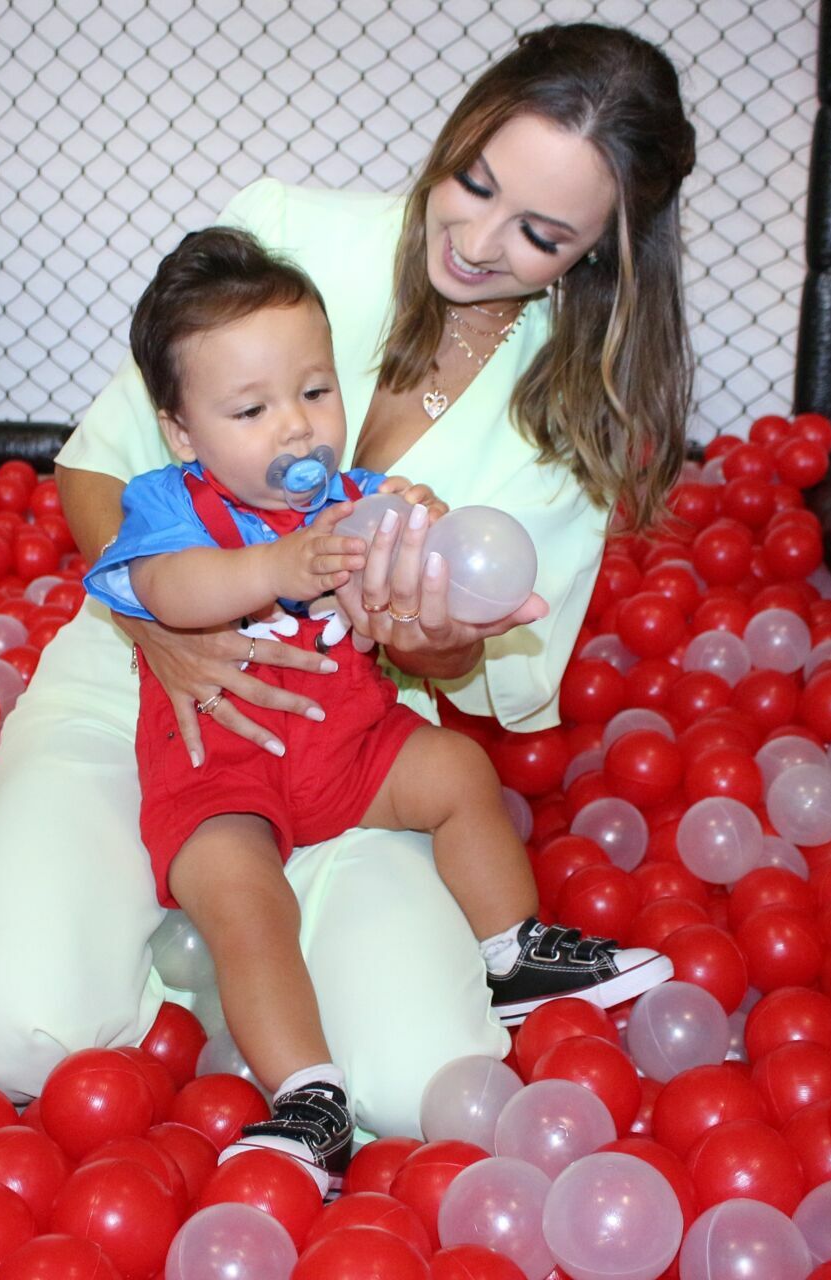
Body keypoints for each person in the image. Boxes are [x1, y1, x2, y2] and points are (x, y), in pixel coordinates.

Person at [0, 21, 698, 1140]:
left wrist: (428, 634)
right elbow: (96, 469)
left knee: (426, 1091)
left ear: (599, 253)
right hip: (144, 685)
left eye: (539, 233)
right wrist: (167, 627)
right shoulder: (289, 236)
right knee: (12, 1034)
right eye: (474, 182)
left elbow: (478, 674)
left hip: (350, 725)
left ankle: (237, 965)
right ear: (459, 131)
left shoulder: (577, 415)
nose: (477, 242)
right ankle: (207, 932)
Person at [83, 226, 672, 1188]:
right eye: (251, 409)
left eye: (315, 392)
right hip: (221, 770)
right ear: (183, 431)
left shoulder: (353, 498)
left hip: (348, 747)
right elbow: (164, 589)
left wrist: (424, 540)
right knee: (248, 906)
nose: (296, 428)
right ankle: (308, 1097)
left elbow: (415, 594)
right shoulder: (167, 503)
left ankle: (512, 951)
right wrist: (275, 566)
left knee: (456, 771)